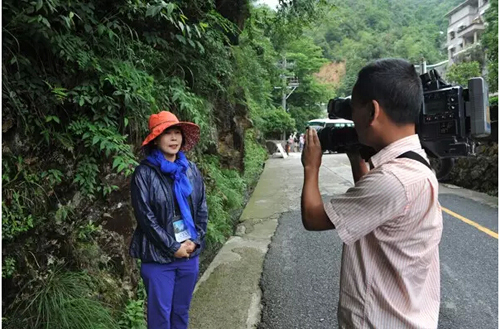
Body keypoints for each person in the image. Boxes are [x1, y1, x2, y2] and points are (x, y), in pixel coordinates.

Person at [301, 59, 442, 329]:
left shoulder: (393, 179)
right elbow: (379, 211)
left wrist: (311, 166)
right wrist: (357, 159)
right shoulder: (415, 165)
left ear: (372, 112)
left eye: (353, 109)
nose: (352, 119)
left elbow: (313, 218)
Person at [129, 111, 208, 329]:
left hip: (188, 255)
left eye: (177, 133)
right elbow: (146, 218)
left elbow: (201, 208)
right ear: (155, 139)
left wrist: (196, 240)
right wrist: (172, 247)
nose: (174, 138)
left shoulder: (190, 170)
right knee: (160, 317)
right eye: (167, 134)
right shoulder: (144, 174)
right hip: (158, 259)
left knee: (180, 313)